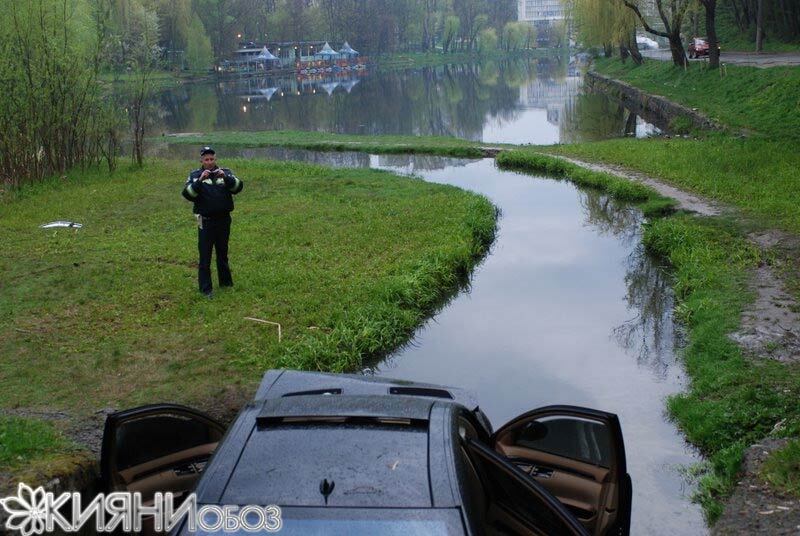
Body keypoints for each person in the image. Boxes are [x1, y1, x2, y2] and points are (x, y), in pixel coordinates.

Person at [182, 147, 244, 297]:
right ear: (201, 161)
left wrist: (227, 178)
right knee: (205, 256)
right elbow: (187, 194)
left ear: (215, 160)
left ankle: (226, 283)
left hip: (224, 220)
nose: (209, 162)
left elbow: (238, 187)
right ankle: (206, 289)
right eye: (206, 160)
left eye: (212, 159)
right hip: (206, 222)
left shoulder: (225, 172)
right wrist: (200, 181)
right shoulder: (195, 176)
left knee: (222, 253)